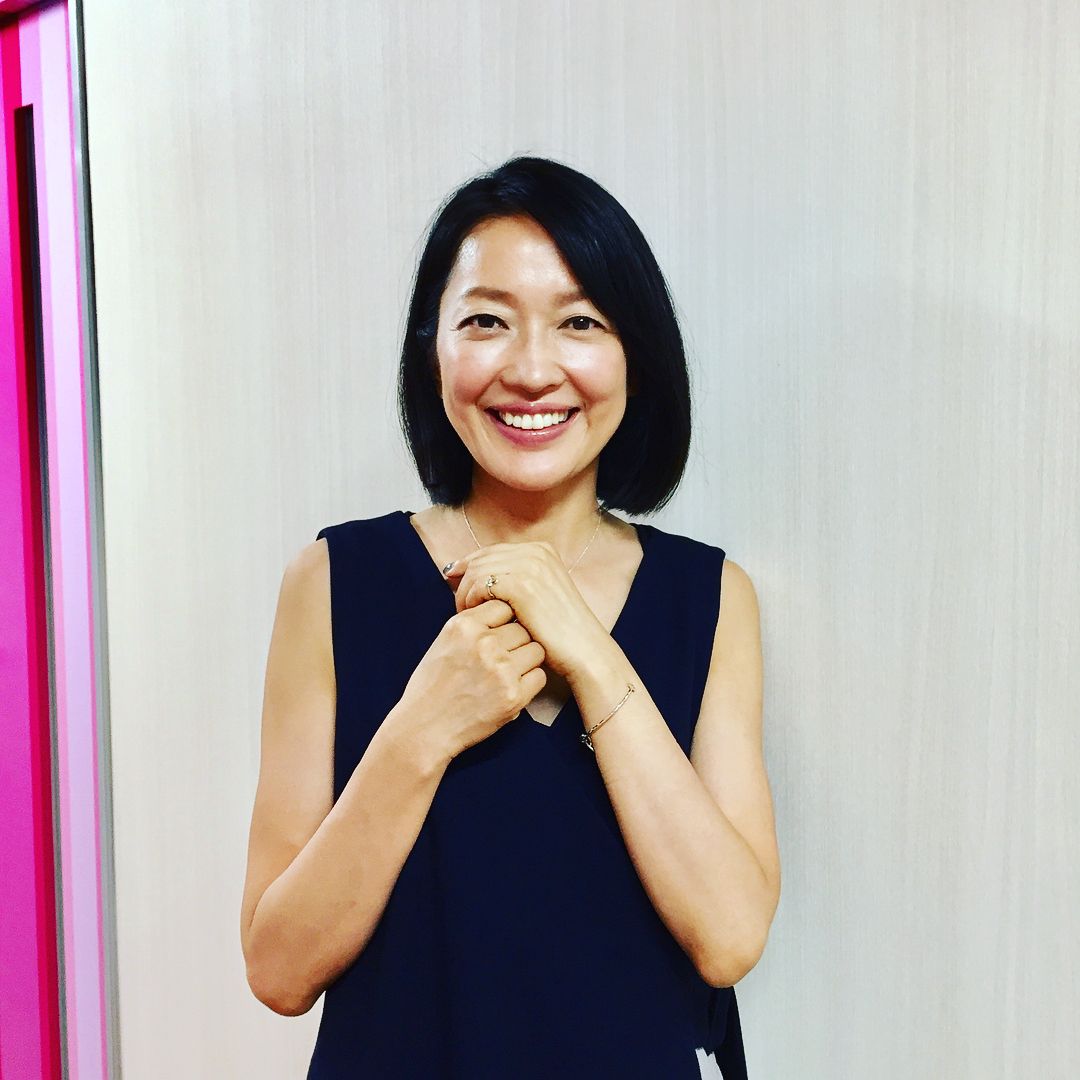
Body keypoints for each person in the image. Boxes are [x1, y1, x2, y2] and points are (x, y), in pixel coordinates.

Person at [241, 156, 779, 1078]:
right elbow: (279, 969)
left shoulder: (710, 596)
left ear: (636, 355)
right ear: (433, 350)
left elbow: (729, 937)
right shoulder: (333, 581)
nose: (531, 371)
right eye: (486, 321)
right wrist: (423, 724)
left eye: (580, 322)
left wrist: (591, 654)